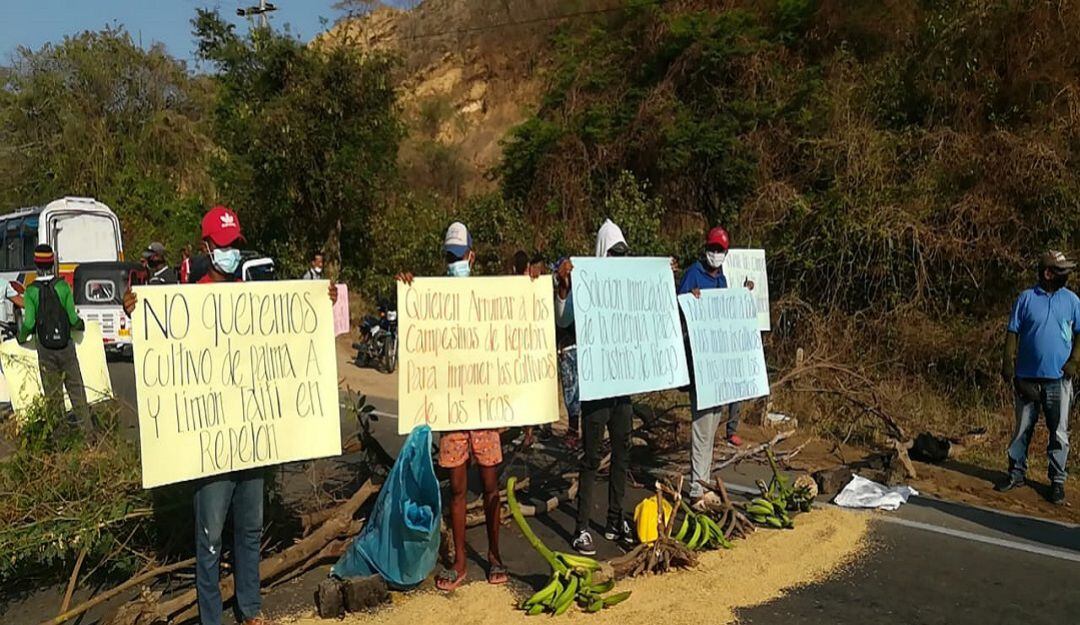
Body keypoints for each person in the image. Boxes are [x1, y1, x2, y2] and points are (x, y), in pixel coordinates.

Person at [124, 206, 337, 625]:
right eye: (222, 247)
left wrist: (323, 301)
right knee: (210, 538)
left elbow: (294, 331)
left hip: (251, 439)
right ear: (207, 247)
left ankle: (251, 608)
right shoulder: (183, 299)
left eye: (234, 246)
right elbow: (159, 349)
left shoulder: (254, 296)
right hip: (212, 446)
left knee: (251, 530)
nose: (230, 253)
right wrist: (136, 312)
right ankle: (211, 618)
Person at [395, 222, 507, 591]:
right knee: (457, 488)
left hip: (484, 406)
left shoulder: (488, 294)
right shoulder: (431, 296)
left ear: (471, 257)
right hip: (452, 407)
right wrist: (408, 289)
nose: (455, 262)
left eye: (460, 256)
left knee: (491, 486)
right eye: (450, 257)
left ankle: (494, 555)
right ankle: (460, 561)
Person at [557, 219, 638, 555]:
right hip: (597, 386)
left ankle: (615, 518)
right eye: (613, 253)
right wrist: (564, 286)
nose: (618, 259)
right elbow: (563, 319)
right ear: (602, 253)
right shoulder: (583, 284)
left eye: (622, 254)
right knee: (591, 457)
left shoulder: (626, 285)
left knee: (622, 452)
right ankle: (582, 528)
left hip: (622, 385)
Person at [997, 250, 1080, 505]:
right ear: (1048, 273)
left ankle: (1057, 480)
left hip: (1058, 378)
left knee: (1059, 432)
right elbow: (1013, 331)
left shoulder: (1073, 301)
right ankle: (1016, 472)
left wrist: (1074, 361)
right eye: (1061, 270)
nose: (1067, 274)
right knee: (1022, 428)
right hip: (1026, 377)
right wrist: (1008, 363)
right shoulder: (1025, 298)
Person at [678, 226, 754, 501]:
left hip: (717, 369)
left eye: (720, 250)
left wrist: (743, 296)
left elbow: (726, 316)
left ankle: (704, 482)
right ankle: (698, 489)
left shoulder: (722, 279)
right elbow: (679, 311)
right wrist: (691, 300)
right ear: (705, 248)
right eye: (713, 248)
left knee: (712, 427)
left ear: (725, 253)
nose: (716, 254)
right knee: (701, 430)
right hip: (699, 367)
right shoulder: (692, 275)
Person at [18, 244, 90, 431]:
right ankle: (89, 437)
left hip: (45, 349)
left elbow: (29, 323)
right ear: (52, 263)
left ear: (35, 264)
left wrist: (21, 337)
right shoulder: (63, 286)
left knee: (53, 396)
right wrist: (80, 325)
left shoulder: (31, 291)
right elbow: (73, 318)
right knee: (76, 391)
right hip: (66, 346)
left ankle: (60, 441)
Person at [553, 256, 581, 449]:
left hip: (582, 347)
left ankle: (582, 432)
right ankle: (573, 430)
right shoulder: (558, 292)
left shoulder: (581, 291)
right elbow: (561, 319)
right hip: (567, 348)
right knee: (570, 395)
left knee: (583, 394)